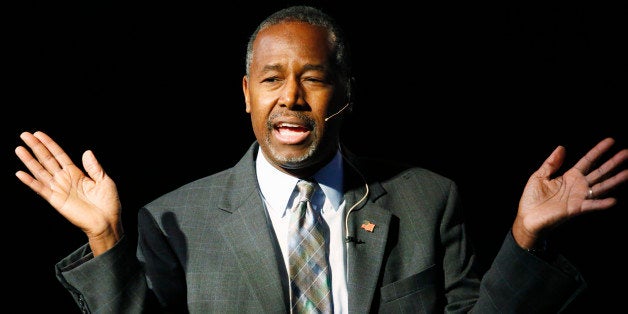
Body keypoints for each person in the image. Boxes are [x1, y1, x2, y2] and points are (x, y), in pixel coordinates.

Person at [14, 5, 628, 314]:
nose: (291, 97)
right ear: (247, 95)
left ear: (346, 92)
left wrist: (523, 240)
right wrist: (106, 239)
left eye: (313, 77)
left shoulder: (426, 199)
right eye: (271, 79)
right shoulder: (176, 219)